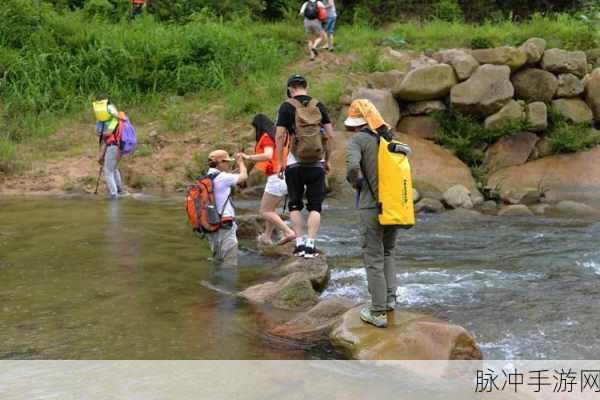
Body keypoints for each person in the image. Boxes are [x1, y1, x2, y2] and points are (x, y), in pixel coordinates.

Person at [345, 99, 411, 328]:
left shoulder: (357, 140)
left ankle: (378, 311)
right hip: (393, 206)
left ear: (356, 122)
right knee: (388, 252)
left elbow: (353, 168)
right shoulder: (389, 140)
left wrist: (358, 183)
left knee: (373, 258)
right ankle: (390, 300)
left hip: (371, 207)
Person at [275, 74, 334, 259]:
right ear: (305, 86)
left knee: (294, 205)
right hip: (316, 162)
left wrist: (280, 161)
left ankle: (299, 244)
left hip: (294, 163)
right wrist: (328, 159)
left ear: (290, 88)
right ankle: (311, 245)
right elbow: (330, 136)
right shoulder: (318, 105)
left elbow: (279, 136)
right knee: (315, 207)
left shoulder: (287, 106)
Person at [237, 114, 296, 246]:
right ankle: (267, 236)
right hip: (287, 175)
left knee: (265, 211)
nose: (253, 131)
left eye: (254, 128)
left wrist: (248, 157)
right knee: (272, 209)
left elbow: (268, 155)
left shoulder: (266, 137)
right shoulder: (280, 136)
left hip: (276, 177)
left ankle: (288, 232)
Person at [204, 149, 248, 266]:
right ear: (220, 163)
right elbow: (243, 177)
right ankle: (227, 283)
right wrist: (241, 163)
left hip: (210, 224)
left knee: (217, 259)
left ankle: (215, 282)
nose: (228, 164)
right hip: (225, 223)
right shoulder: (223, 177)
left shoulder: (206, 176)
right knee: (230, 262)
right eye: (227, 162)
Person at [94, 93, 125, 199]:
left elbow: (106, 138)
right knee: (114, 168)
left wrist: (101, 156)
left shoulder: (111, 120)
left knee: (108, 172)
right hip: (119, 146)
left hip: (113, 146)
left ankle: (114, 195)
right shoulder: (115, 119)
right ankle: (120, 191)